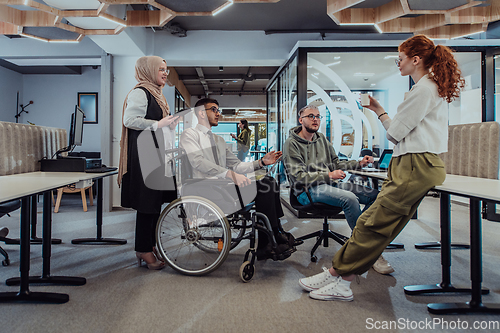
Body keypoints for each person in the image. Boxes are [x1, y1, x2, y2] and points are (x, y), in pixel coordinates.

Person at [299, 34, 465, 301]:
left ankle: (337, 277)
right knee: (377, 225)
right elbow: (400, 132)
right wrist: (379, 111)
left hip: (414, 164)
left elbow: (395, 134)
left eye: (400, 59)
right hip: (415, 164)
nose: (397, 63)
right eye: (312, 116)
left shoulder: (423, 89)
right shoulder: (429, 88)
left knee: (370, 224)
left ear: (415, 59)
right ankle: (338, 276)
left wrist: (381, 115)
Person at [180, 98, 300, 260]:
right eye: (214, 109)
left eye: (218, 110)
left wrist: (261, 162)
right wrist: (229, 174)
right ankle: (270, 240)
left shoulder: (219, 141)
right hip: (205, 187)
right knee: (264, 185)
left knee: (269, 181)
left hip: (222, 185)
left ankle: (275, 232)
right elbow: (198, 162)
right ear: (201, 112)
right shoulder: (190, 134)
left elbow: (237, 166)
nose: (218, 114)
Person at [283, 105, 391, 275]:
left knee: (376, 196)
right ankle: (367, 251)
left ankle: (361, 238)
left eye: (318, 116)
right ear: (300, 119)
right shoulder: (291, 144)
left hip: (329, 185)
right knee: (350, 199)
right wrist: (329, 175)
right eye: (310, 116)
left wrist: (359, 163)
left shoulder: (322, 140)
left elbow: (336, 163)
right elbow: (298, 177)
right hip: (306, 192)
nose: (315, 119)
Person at [117, 56, 179, 270]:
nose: (165, 73)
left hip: (157, 155)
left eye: (166, 69)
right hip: (146, 157)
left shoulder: (157, 94)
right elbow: (129, 120)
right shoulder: (140, 92)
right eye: (160, 69)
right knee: (146, 205)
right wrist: (160, 123)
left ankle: (149, 244)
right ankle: (142, 249)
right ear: (148, 70)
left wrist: (167, 124)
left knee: (155, 204)